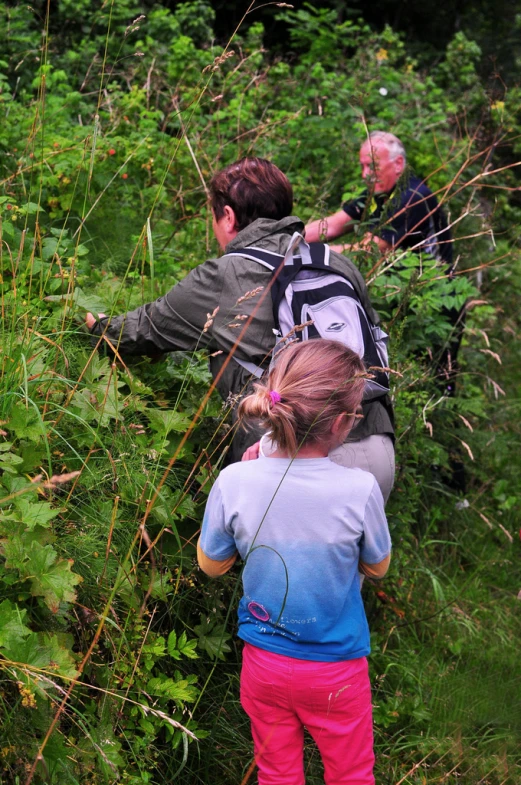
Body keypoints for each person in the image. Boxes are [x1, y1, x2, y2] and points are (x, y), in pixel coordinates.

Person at [86, 157, 395, 500]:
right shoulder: (337, 262)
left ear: (229, 217)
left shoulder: (225, 274)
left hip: (288, 454)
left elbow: (140, 331)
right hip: (375, 449)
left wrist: (92, 324)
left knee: (270, 554)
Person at [197, 339, 392, 785]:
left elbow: (212, 566)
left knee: (277, 772)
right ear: (343, 422)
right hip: (337, 671)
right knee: (351, 773)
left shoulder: (234, 480)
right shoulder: (360, 489)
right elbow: (377, 567)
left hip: (263, 664)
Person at [305, 131, 453, 267]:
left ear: (398, 164)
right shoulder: (378, 192)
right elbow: (332, 225)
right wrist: (290, 237)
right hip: (397, 285)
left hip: (432, 288)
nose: (365, 174)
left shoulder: (413, 197)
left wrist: (305, 253)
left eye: (372, 166)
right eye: (362, 167)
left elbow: (367, 252)